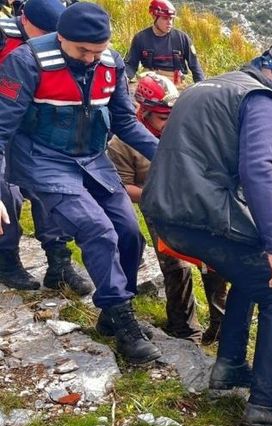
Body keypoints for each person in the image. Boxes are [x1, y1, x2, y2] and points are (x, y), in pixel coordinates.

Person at [141, 41, 272, 426]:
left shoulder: (212, 85)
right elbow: (256, 168)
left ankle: (230, 366)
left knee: (250, 267)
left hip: (165, 210)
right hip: (196, 215)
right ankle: (265, 406)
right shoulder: (262, 99)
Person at [0, 2, 162, 363]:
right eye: (81, 51)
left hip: (92, 159)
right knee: (96, 229)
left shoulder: (111, 64)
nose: (90, 59)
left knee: (128, 232)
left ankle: (111, 313)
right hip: (44, 161)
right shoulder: (25, 62)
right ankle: (123, 321)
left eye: (97, 51)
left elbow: (125, 122)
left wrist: (170, 154)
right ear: (60, 38)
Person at [107, 72, 228, 345]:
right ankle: (185, 331)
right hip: (159, 210)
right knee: (176, 266)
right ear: (145, 112)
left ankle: (221, 326)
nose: (169, 123)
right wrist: (158, 192)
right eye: (163, 118)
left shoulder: (184, 129)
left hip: (196, 203)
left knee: (214, 262)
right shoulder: (121, 144)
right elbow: (123, 186)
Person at [0, 0, 95, 296]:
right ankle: (6, 258)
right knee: (7, 193)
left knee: (49, 187)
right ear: (24, 20)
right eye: (41, 32)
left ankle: (59, 262)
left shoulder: (59, 45)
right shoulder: (4, 38)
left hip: (31, 128)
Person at [124, 0, 204, 85]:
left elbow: (195, 67)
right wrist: (123, 79)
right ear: (154, 17)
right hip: (149, 85)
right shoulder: (140, 38)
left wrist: (202, 87)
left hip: (176, 86)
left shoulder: (182, 38)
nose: (169, 22)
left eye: (171, 18)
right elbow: (130, 66)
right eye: (165, 18)